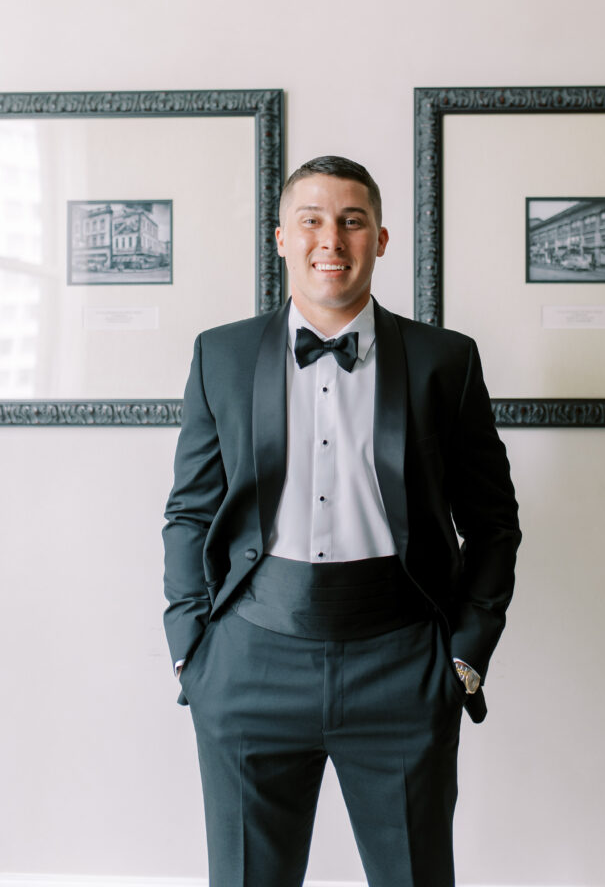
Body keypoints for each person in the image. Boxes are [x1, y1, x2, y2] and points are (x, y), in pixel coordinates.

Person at [163, 155, 521, 887]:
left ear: (381, 239)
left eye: (352, 221)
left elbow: (492, 520)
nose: (332, 238)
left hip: (402, 661)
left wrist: (467, 650)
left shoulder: (443, 360)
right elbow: (190, 512)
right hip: (247, 661)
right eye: (313, 220)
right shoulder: (220, 355)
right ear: (282, 239)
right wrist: (188, 646)